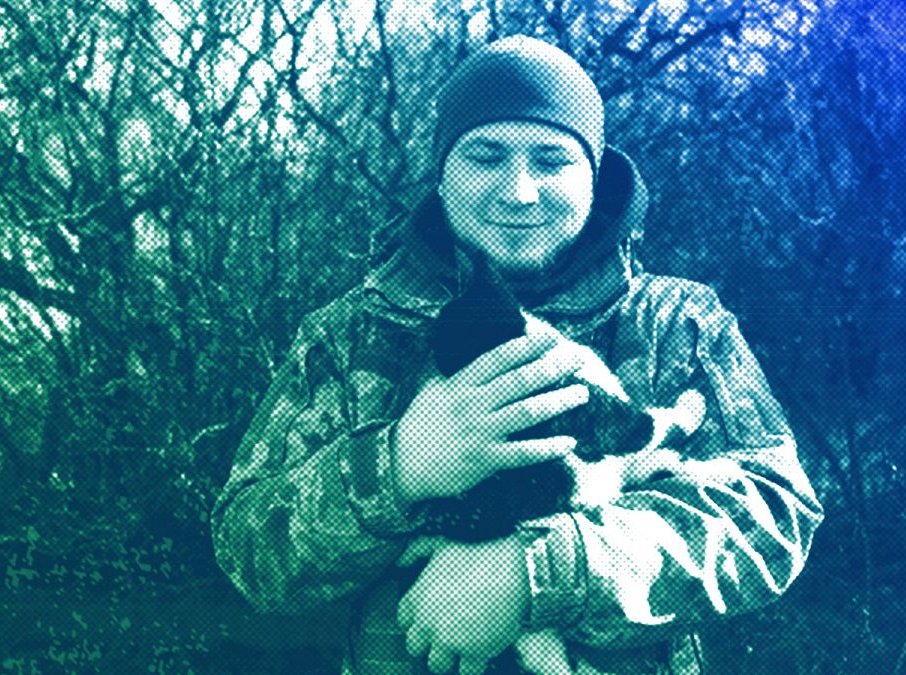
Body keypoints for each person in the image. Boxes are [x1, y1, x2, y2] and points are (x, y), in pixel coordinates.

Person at [211, 35, 824, 675]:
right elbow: (248, 549)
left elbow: (773, 514)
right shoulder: (349, 334)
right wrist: (398, 465)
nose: (520, 191)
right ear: (442, 177)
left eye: (552, 160)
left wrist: (535, 573)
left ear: (594, 175)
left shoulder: (677, 323)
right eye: (486, 156)